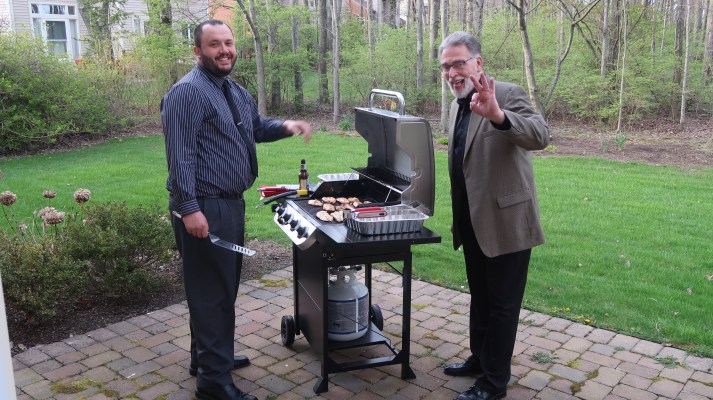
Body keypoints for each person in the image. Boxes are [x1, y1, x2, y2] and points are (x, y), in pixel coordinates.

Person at [161, 19, 311, 400]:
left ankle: (207, 358)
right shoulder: (187, 93)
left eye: (228, 43)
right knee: (212, 293)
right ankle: (213, 382)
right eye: (214, 44)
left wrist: (286, 126)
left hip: (228, 204)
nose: (224, 50)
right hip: (205, 205)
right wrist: (190, 208)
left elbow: (255, 128)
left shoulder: (233, 90)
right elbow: (180, 156)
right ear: (198, 51)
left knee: (216, 289)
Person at [439, 31, 550, 400]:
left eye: (458, 63)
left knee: (502, 306)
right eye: (445, 66)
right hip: (471, 220)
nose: (452, 72)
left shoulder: (508, 94)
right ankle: (480, 358)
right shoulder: (456, 105)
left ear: (478, 63)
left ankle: (493, 383)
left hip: (507, 222)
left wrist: (499, 116)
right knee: (481, 297)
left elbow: (540, 135)